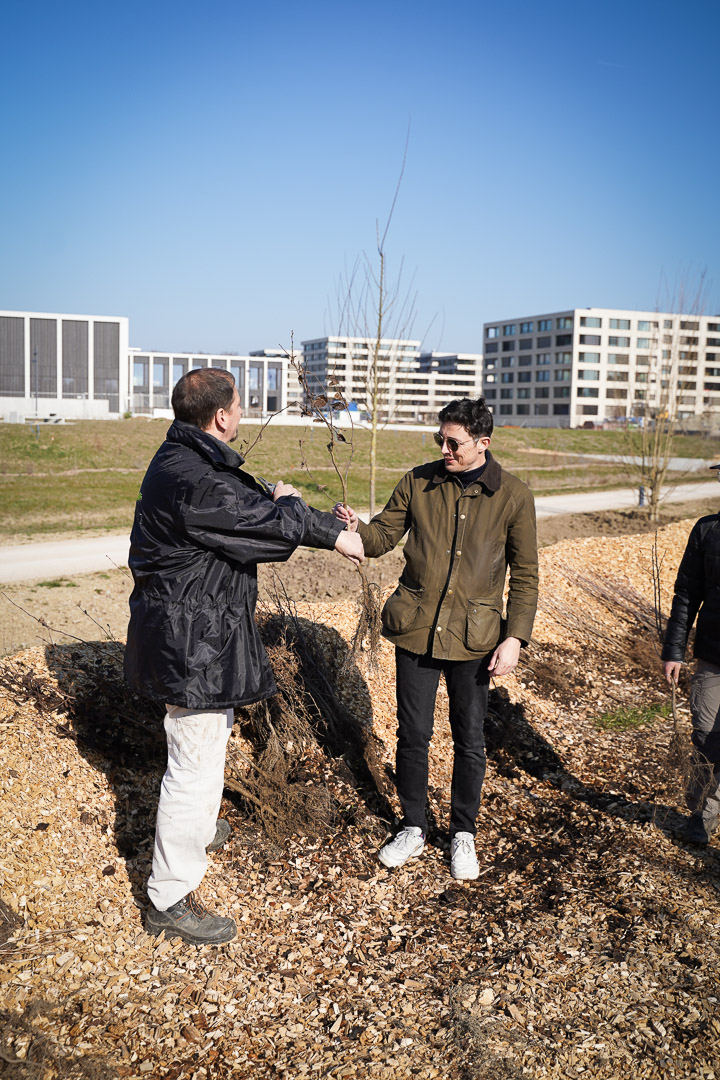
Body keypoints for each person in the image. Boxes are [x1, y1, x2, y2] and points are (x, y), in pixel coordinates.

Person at [125, 368, 364, 944]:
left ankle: (198, 828)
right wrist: (329, 531)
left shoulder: (186, 460)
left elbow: (243, 507)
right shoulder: (196, 479)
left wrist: (277, 498)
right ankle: (169, 896)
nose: (243, 413)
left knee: (203, 743)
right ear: (222, 417)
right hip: (193, 643)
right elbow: (259, 524)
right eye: (240, 405)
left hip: (195, 633)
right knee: (195, 764)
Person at [334, 397, 538, 879]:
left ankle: (463, 833)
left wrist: (515, 639)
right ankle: (413, 826)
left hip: (476, 637)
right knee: (414, 734)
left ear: (482, 444)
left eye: (455, 443)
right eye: (440, 440)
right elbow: (381, 538)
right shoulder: (418, 481)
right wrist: (352, 528)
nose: (444, 449)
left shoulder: (513, 496)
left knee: (469, 738)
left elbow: (526, 573)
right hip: (418, 630)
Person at [662, 461, 720, 846]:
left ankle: (710, 810)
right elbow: (686, 594)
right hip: (713, 656)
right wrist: (674, 651)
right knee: (706, 737)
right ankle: (701, 814)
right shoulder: (707, 530)